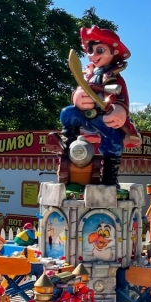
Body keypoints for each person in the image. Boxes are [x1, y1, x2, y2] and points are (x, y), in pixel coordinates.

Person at [57, 26, 141, 186]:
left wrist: (118, 110)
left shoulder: (116, 78)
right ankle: (67, 147)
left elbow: (122, 98)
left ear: (113, 52)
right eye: (90, 50)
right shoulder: (87, 75)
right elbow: (79, 90)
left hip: (104, 119)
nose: (93, 55)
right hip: (85, 118)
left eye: (99, 50)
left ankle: (110, 177)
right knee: (67, 113)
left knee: (114, 139)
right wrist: (78, 97)